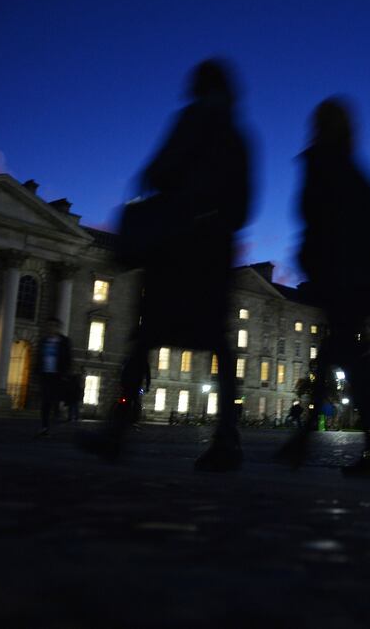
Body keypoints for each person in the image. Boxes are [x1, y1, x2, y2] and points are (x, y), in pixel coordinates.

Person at [81, 59, 252, 471]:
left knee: (146, 338)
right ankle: (227, 437)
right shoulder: (239, 136)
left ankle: (116, 431)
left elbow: (160, 170)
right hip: (213, 250)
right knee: (219, 345)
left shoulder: (194, 117)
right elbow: (245, 203)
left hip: (177, 245)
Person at [276, 97, 370, 476]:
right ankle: (320, 442)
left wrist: (317, 265)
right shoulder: (355, 173)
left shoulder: (326, 165)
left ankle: (368, 446)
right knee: (335, 361)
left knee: (339, 363)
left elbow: (315, 220)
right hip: (352, 281)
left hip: (342, 279)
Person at [37, 317, 72, 437]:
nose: (50, 328)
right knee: (45, 402)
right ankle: (45, 427)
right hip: (46, 375)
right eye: (49, 326)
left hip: (58, 376)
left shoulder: (64, 341)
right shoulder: (43, 341)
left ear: (58, 328)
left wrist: (65, 374)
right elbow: (38, 358)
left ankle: (56, 420)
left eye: (53, 326)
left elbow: (68, 359)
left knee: (56, 400)